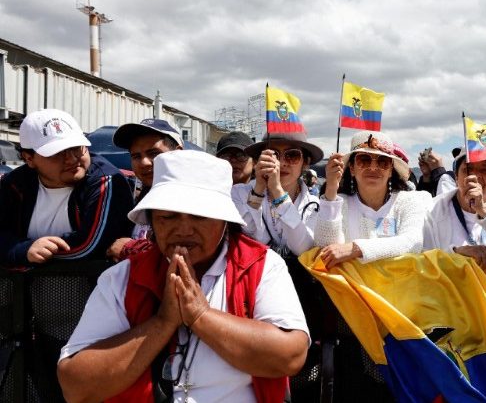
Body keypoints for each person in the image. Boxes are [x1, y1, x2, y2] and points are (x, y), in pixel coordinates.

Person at [57, 150, 309, 402]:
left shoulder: (261, 265)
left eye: (200, 216)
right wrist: (163, 322)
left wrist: (201, 316)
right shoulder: (121, 278)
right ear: (152, 221)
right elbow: (75, 385)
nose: (183, 229)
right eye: (168, 216)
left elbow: (290, 356)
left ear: (224, 223)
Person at [0, 109, 134, 267]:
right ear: (29, 158)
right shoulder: (13, 184)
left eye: (77, 148)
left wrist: (20, 253)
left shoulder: (108, 181)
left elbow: (91, 246)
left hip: (91, 289)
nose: (71, 159)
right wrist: (23, 250)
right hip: (21, 290)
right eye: (57, 153)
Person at [316, 130, 428, 268]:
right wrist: (331, 189)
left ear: (391, 170)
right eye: (364, 160)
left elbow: (412, 242)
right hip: (351, 288)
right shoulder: (339, 203)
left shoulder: (409, 200)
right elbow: (325, 248)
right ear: (351, 168)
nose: (373, 167)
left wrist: (356, 249)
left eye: (383, 162)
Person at [233, 131, 323, 257]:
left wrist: (277, 191)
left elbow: (303, 248)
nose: (282, 163)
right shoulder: (239, 192)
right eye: (274, 155)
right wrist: (259, 188)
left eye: (292, 155)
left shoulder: (315, 205)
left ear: (306, 162)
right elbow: (250, 235)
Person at [108, 118, 183, 259]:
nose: (144, 162)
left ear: (178, 153)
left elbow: (187, 251)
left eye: (154, 153)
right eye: (136, 156)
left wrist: (131, 249)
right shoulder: (142, 198)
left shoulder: (190, 199)